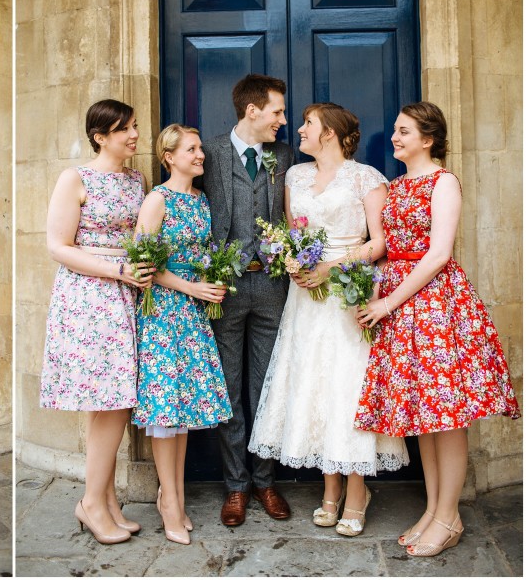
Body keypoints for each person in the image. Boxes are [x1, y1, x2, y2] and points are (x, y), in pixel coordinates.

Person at [354, 102, 520, 557]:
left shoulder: (444, 181)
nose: (394, 137)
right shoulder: (396, 185)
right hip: (401, 305)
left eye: (404, 131)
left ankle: (449, 517)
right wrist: (371, 287)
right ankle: (434, 510)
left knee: (447, 416)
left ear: (428, 139)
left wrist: (388, 302)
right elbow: (389, 248)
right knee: (425, 416)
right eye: (395, 129)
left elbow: (438, 254)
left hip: (436, 307)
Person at [247, 103, 409, 537]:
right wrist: (294, 263)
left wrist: (329, 268)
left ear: (331, 133)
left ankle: (356, 491)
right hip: (306, 300)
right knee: (315, 384)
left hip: (348, 293)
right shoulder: (295, 176)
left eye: (308, 124)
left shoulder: (367, 178)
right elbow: (292, 234)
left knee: (347, 387)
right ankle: (330, 487)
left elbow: (378, 244)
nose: (299, 130)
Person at [39, 99, 154, 545]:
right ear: (100, 136)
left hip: (128, 293)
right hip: (90, 297)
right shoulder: (76, 178)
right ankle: (91, 503)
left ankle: (105, 501)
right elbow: (58, 246)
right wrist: (118, 270)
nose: (134, 134)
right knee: (109, 401)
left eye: (135, 126)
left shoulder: (137, 179)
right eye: (124, 129)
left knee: (114, 400)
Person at [199, 74, 294, 527]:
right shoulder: (208, 153)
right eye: (277, 111)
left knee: (267, 388)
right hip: (225, 289)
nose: (283, 120)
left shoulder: (284, 156)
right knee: (229, 390)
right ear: (252, 111)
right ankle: (236, 486)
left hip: (273, 287)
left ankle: (265, 481)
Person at [131, 124, 232, 545]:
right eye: (191, 149)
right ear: (169, 156)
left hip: (192, 313)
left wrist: (212, 281)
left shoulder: (201, 199)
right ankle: (170, 503)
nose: (200, 154)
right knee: (164, 409)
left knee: (182, 408)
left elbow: (202, 255)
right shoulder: (158, 199)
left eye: (200, 148)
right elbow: (144, 264)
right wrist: (193, 287)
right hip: (162, 311)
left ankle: (174, 496)